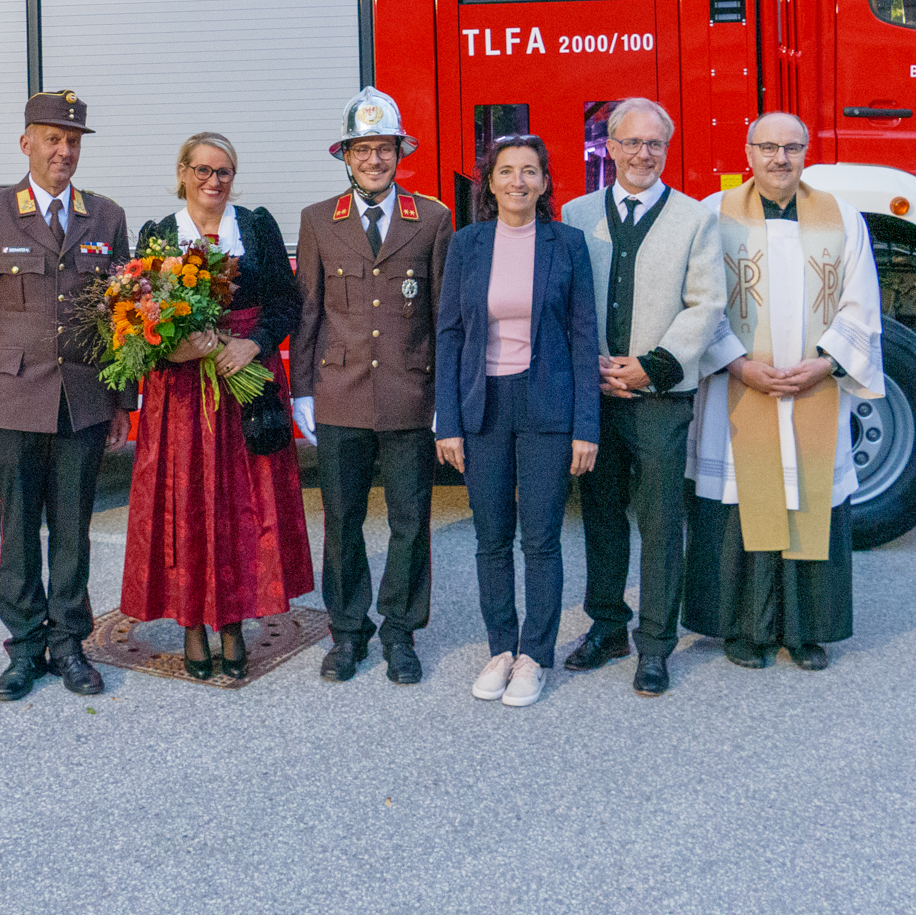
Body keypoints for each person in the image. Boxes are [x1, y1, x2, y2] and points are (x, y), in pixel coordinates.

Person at [683, 112, 885, 672]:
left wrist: (827, 363)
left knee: (808, 498)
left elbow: (861, 301)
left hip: (812, 387)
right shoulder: (713, 214)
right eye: (768, 147)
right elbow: (697, 300)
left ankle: (806, 630)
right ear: (748, 152)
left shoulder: (841, 217)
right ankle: (743, 629)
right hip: (737, 387)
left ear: (805, 153)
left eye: (791, 148)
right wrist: (736, 363)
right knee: (739, 503)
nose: (780, 158)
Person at [0, 91, 133, 701]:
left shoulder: (105, 216)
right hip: (14, 398)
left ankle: (69, 645)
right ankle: (25, 649)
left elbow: (124, 319)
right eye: (52, 138)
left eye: (73, 140)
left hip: (83, 399)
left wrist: (122, 400)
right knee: (20, 529)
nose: (64, 150)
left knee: (74, 529)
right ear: (25, 142)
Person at [121, 133, 313, 679]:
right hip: (182, 396)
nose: (213, 181)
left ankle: (232, 621)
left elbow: (286, 302)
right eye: (203, 170)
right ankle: (191, 623)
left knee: (241, 509)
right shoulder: (159, 236)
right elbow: (139, 323)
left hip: (245, 381)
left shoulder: (256, 227)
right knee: (187, 507)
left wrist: (253, 344)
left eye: (224, 171)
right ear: (183, 172)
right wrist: (175, 347)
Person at [557, 98, 725, 697]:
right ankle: (607, 627)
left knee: (660, 522)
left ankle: (655, 643)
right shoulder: (576, 215)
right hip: (595, 396)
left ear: (666, 150)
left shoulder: (695, 220)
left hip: (660, 396)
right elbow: (561, 299)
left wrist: (651, 368)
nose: (642, 154)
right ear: (609, 147)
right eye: (631, 142)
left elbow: (707, 303)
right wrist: (588, 369)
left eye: (654, 144)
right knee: (600, 517)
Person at [291, 87, 452, 685]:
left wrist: (445, 399)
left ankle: (401, 632)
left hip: (411, 395)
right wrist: (301, 390)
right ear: (346, 156)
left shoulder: (432, 218)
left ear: (399, 153)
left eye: (384, 148)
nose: (374, 160)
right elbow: (309, 312)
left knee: (410, 521)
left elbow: (444, 317)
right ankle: (347, 630)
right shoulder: (318, 220)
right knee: (342, 520)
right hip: (340, 393)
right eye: (362, 149)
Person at [435, 135, 600, 708]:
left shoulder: (567, 243)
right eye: (506, 171)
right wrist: (447, 421)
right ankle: (501, 648)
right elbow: (449, 334)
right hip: (483, 405)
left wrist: (586, 426)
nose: (518, 181)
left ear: (545, 183)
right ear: (490, 182)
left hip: (547, 404)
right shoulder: (467, 244)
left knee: (542, 538)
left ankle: (535, 655)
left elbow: (584, 337)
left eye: (530, 171)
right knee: (491, 537)